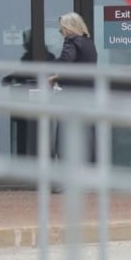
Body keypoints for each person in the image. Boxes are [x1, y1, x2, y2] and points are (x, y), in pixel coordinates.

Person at [50, 12, 98, 168]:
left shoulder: (71, 41)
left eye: (61, 29)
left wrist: (52, 72)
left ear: (68, 27)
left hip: (72, 94)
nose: (61, 33)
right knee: (87, 135)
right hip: (89, 94)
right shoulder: (89, 43)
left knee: (66, 135)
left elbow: (66, 61)